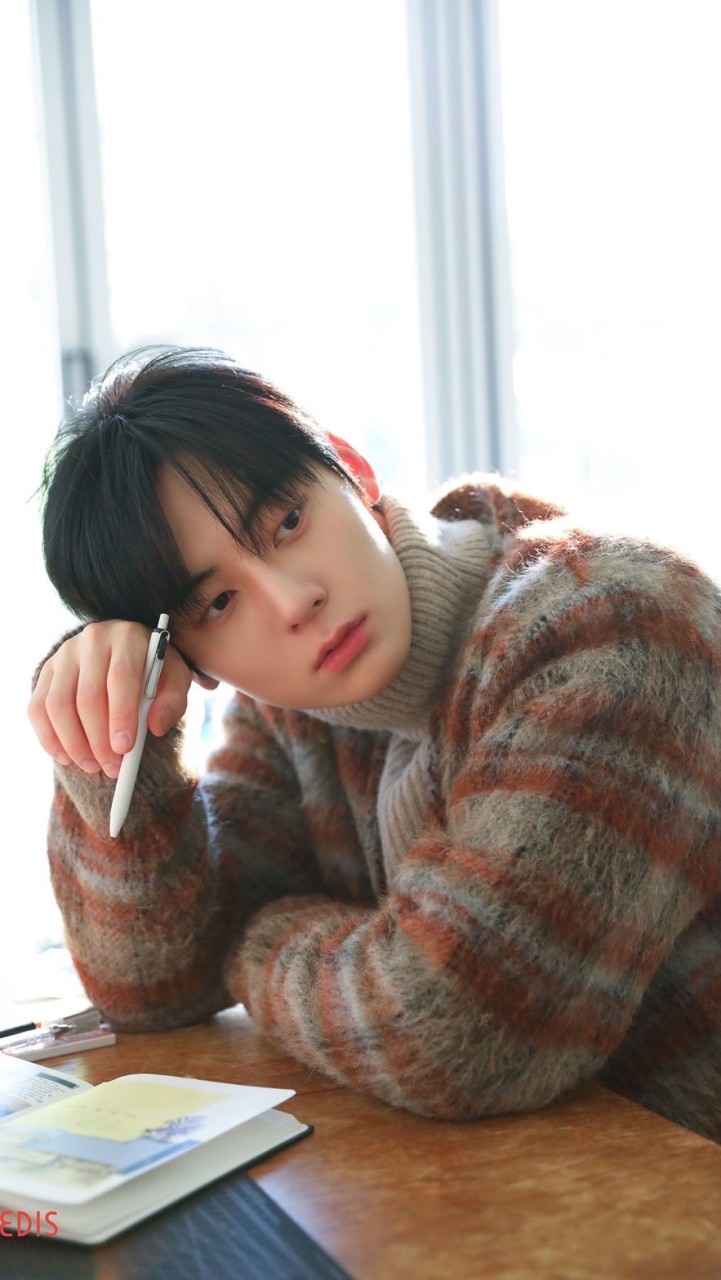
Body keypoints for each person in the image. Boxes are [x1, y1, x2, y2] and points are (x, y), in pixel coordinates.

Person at [29, 344, 721, 1142]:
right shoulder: (293, 714)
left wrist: (243, 941)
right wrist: (115, 736)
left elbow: (455, 1034)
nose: (292, 602)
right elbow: (152, 989)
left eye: (288, 522)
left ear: (353, 471)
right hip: (529, 1188)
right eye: (218, 604)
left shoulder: (615, 622)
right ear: (190, 661)